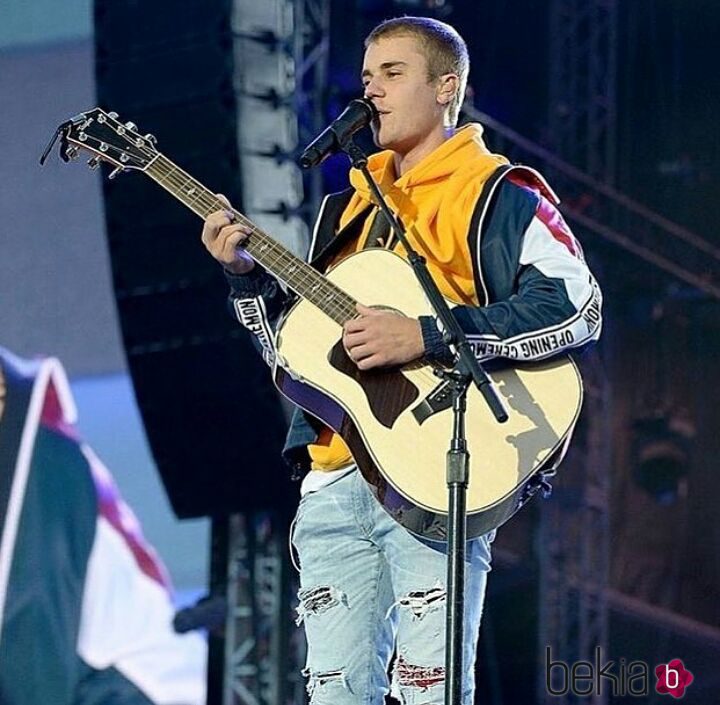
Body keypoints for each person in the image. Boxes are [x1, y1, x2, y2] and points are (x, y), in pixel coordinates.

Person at [201, 16, 602, 705]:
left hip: (435, 473)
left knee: (432, 692)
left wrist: (428, 335)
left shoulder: (503, 197)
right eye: (365, 77)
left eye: (392, 74)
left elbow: (578, 308)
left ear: (447, 87)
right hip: (331, 483)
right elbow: (295, 363)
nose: (372, 91)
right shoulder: (342, 216)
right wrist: (246, 282)